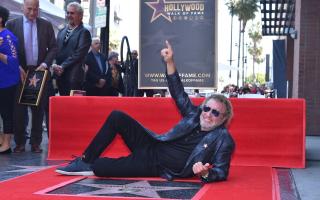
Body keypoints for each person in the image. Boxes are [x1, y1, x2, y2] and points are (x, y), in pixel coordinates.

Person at [55, 41, 235, 183]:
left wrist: (205, 173)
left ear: (224, 118)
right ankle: (86, 159)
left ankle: (96, 164)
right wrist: (170, 62)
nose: (208, 114)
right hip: (152, 144)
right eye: (207, 108)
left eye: (215, 113)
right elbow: (178, 92)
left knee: (102, 167)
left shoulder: (223, 139)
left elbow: (220, 171)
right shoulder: (195, 115)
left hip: (157, 165)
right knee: (118, 116)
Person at [6, 0, 58, 153]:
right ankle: (20, 142)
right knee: (19, 110)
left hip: (40, 71)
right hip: (20, 71)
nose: (32, 13)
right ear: (23, 8)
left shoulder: (46, 25)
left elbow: (54, 47)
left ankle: (36, 142)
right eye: (29, 9)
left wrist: (46, 64)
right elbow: (7, 50)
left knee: (38, 109)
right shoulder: (12, 24)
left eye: (36, 9)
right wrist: (16, 66)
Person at [53, 2, 91, 96]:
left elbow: (79, 54)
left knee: (74, 107)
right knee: (63, 107)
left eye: (72, 13)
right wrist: (55, 65)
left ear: (80, 16)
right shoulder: (62, 31)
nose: (69, 15)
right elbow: (56, 50)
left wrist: (62, 66)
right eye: (68, 12)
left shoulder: (84, 32)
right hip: (60, 75)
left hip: (74, 77)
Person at [0, 6, 20, 154]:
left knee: (6, 113)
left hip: (6, 82)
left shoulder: (7, 36)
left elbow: (13, 61)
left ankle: (6, 144)